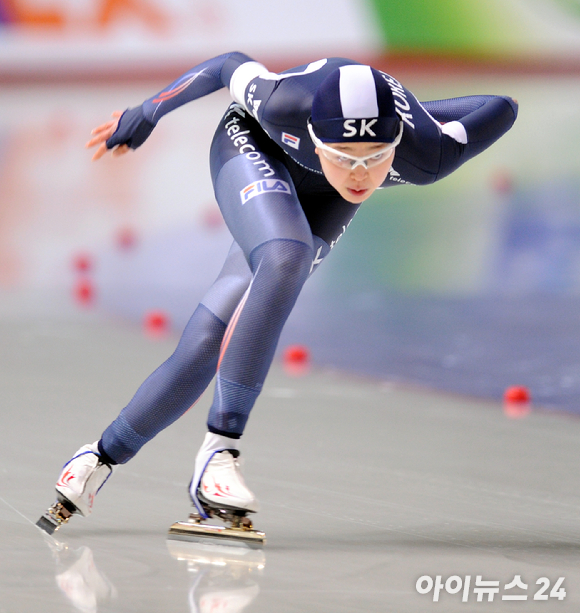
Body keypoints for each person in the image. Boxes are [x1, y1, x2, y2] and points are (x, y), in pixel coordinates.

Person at [41, 52, 518, 533]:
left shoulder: (428, 153)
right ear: (314, 134)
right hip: (253, 149)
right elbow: (228, 66)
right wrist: (147, 112)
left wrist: (409, 114)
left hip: (325, 198)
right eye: (344, 156)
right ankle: (220, 453)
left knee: (216, 335)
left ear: (397, 141)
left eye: (376, 157)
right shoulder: (282, 103)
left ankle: (96, 459)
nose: (359, 174)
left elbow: (503, 104)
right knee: (285, 257)